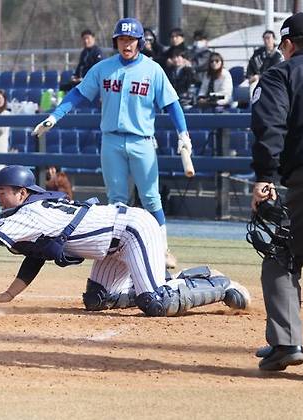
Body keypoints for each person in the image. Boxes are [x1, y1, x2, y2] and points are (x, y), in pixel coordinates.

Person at [0, 166, 249, 316]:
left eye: (3, 191)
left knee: (155, 303)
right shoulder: (32, 212)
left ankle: (218, 284)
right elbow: (37, 253)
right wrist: (11, 293)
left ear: (22, 192)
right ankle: (163, 280)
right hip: (113, 246)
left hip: (131, 229)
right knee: (97, 300)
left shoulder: (30, 212)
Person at [32, 17, 193, 270]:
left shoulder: (153, 70)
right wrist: (55, 116)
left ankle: (161, 249)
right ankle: (119, 251)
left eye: (130, 39)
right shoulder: (103, 68)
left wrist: (183, 134)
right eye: (121, 39)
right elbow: (78, 94)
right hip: (112, 141)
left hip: (142, 141)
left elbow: (172, 104)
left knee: (151, 199)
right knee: (117, 199)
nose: (126, 44)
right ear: (115, 42)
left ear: (139, 42)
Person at [250, 12, 303, 375]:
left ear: (288, 44)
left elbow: (270, 127)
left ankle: (286, 343)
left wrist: (265, 178)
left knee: (281, 254)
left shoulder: (282, 73)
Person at [246, 30, 284, 96]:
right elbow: (251, 66)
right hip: (256, 80)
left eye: (268, 38)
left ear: (274, 39)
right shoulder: (258, 53)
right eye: (264, 38)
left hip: (272, 81)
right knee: (253, 87)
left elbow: (275, 72)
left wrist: (259, 77)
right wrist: (250, 76)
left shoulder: (278, 54)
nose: (266, 40)